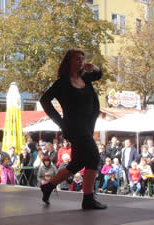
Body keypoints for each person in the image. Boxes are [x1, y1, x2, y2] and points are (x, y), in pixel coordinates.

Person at [40, 49, 107, 209]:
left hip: (87, 125)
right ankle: (88, 198)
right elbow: (45, 100)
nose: (81, 62)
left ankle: (48, 186)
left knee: (78, 162)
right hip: (73, 126)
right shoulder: (63, 82)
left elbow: (99, 75)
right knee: (94, 158)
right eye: (77, 59)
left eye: (82, 59)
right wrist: (59, 121)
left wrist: (95, 67)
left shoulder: (85, 77)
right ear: (69, 62)